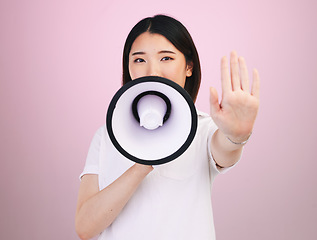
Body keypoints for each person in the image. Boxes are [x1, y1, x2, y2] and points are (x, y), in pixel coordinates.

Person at [75, 14, 260, 240]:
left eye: (166, 58)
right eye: (139, 60)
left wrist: (236, 135)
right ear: (129, 68)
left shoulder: (203, 129)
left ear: (189, 67)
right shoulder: (106, 136)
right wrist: (142, 162)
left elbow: (225, 150)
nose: (153, 72)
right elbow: (85, 227)